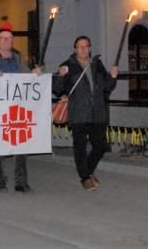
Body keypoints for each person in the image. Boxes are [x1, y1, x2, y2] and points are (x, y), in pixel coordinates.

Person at [0, 24, 42, 193]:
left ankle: (21, 182)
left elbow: (26, 75)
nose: (8, 41)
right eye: (4, 38)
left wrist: (34, 73)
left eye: (10, 39)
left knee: (21, 145)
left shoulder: (17, 57)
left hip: (16, 108)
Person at [55, 35, 118, 190]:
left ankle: (87, 172)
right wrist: (61, 76)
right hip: (78, 112)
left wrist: (113, 77)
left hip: (97, 112)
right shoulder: (68, 66)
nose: (83, 49)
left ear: (90, 48)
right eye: (80, 46)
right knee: (80, 147)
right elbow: (57, 89)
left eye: (86, 46)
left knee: (101, 145)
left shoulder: (96, 64)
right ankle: (85, 178)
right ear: (74, 49)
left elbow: (106, 87)